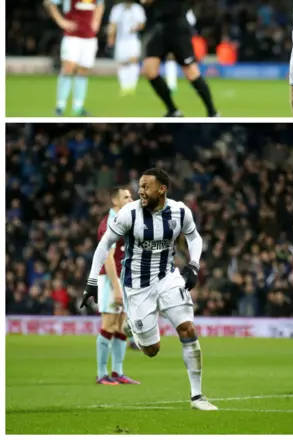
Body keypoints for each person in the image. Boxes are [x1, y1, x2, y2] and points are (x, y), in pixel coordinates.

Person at [80, 167, 217, 410]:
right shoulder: (128, 214)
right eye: (139, 187)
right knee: (152, 350)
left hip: (168, 278)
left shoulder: (179, 211)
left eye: (146, 187)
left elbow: (194, 237)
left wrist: (194, 266)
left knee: (187, 329)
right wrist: (91, 281)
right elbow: (104, 246)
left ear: (162, 189)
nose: (140, 191)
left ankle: (197, 396)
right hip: (137, 286)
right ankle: (132, 324)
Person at [140, 0, 217, 117]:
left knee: (191, 72)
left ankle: (212, 113)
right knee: (149, 70)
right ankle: (173, 110)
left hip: (177, 26)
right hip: (158, 27)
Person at [43, 0, 104, 116]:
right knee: (68, 68)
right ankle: (60, 106)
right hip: (73, 36)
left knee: (83, 70)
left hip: (89, 37)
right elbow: (49, 1)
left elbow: (100, 3)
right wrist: (61, 21)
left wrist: (97, 20)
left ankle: (78, 107)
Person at [95, 186, 140, 385]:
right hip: (110, 280)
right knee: (109, 325)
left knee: (121, 326)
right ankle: (101, 373)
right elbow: (108, 258)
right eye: (126, 197)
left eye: (131, 196)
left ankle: (118, 372)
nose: (131, 199)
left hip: (125, 279)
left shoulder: (127, 221)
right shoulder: (110, 224)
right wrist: (116, 287)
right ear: (115, 201)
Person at [107, 0, 146, 95]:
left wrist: (136, 28)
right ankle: (124, 87)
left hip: (133, 39)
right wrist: (111, 37)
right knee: (122, 62)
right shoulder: (117, 8)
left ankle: (132, 87)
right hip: (121, 40)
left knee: (133, 61)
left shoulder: (137, 9)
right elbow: (113, 23)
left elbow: (142, 24)